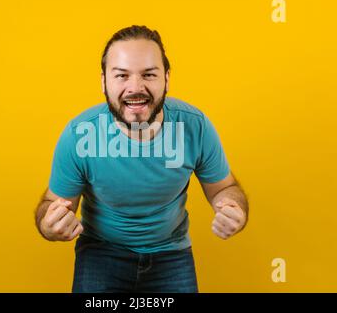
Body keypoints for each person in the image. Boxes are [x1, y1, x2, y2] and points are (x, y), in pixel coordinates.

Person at [35, 25, 249, 293]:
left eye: (149, 74)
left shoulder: (196, 127)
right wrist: (49, 223)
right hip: (101, 255)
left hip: (172, 255)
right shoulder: (79, 134)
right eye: (121, 75)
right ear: (103, 81)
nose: (135, 88)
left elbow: (225, 189)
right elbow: (52, 204)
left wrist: (233, 208)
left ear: (167, 79)